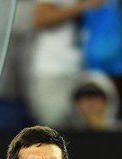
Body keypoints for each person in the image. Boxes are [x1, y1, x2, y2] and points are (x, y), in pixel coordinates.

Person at [27, 0, 106, 128]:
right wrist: (83, 6)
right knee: (54, 126)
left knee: (86, 126)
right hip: (53, 70)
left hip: (84, 70)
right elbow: (40, 18)